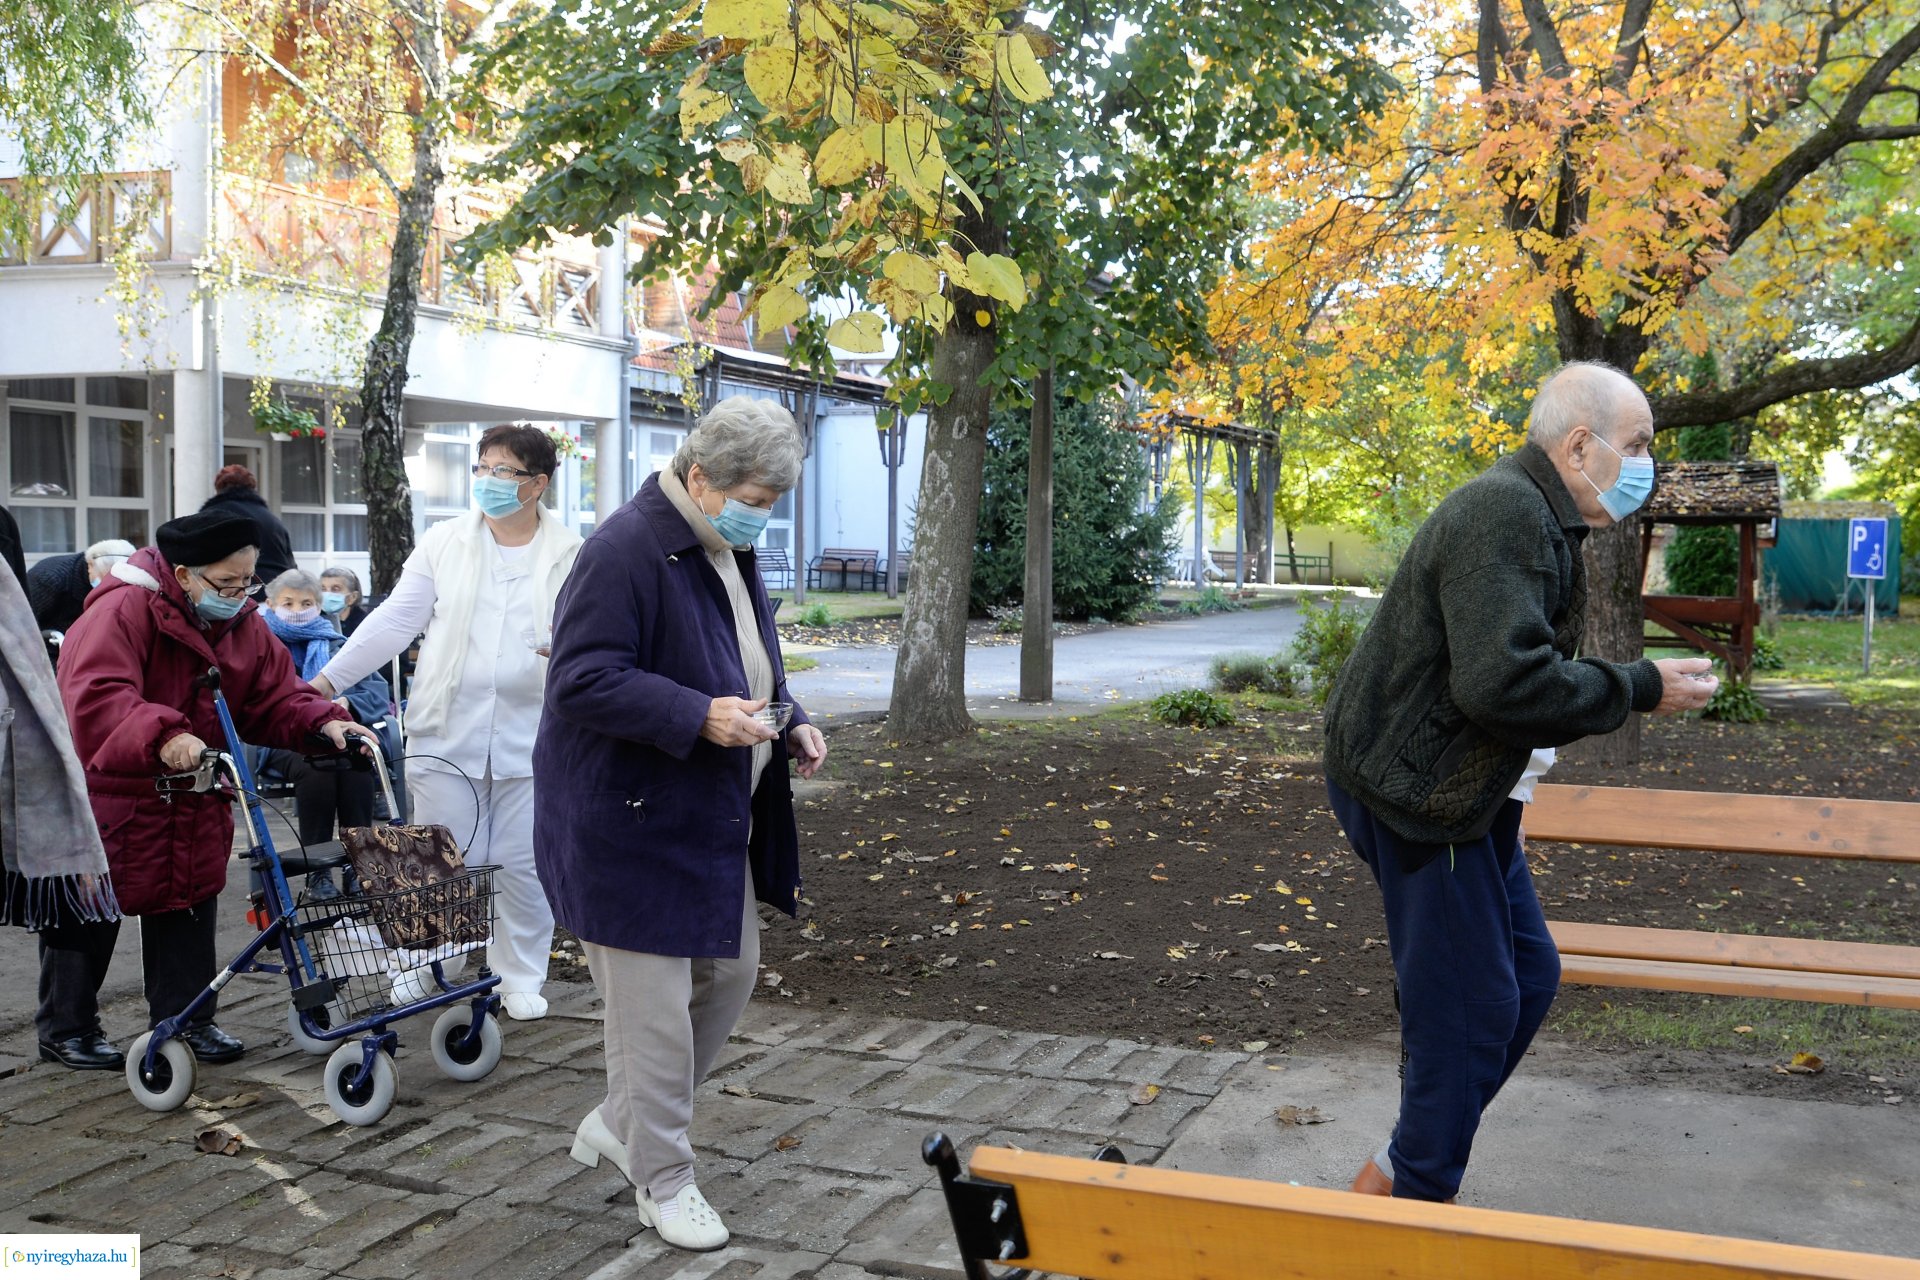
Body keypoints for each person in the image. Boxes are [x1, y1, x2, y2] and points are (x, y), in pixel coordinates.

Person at [1322, 361, 1718, 1204]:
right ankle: (1400, 1214)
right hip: (1423, 803)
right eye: (1639, 444)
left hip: (1469, 798)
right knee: (1467, 1018)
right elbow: (1503, 686)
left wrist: (1519, 798)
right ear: (1581, 446)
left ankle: (1396, 1171)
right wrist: (1639, 686)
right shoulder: (1504, 512)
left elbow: (1505, 689)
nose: (1649, 463)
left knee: (1527, 978)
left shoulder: (1539, 519)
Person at [535, 397, 827, 1253]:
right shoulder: (623, 549)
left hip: (704, 815)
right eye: (755, 496)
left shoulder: (722, 542)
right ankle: (662, 1179)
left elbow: (746, 655)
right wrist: (698, 715)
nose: (761, 514)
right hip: (626, 823)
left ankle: (624, 1119)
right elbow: (581, 681)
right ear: (699, 478)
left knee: (730, 973)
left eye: (773, 499)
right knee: (652, 1017)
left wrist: (791, 712)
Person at [50, 509, 380, 1068]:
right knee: (94, 907)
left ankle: (188, 1017)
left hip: (197, 782)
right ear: (183, 574)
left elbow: (274, 695)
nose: (239, 593)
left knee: (188, 899)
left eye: (248, 580)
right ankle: (67, 1026)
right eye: (226, 583)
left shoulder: (240, 619)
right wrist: (164, 735)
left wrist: (324, 722)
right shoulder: (121, 610)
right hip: (119, 784)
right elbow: (97, 695)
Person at [313, 425, 581, 1021]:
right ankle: (427, 963)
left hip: (533, 734)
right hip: (446, 730)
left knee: (523, 863)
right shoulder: (444, 543)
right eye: (481, 468)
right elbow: (395, 621)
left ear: (537, 484)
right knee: (433, 858)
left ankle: (517, 975)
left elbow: (593, 633)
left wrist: (569, 650)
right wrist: (327, 683)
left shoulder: (571, 552)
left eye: (503, 471)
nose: (487, 481)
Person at [2, 556, 121, 1054]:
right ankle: (67, 1025)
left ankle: (70, 1024)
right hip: (60, 752)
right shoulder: (92, 605)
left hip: (41, 754)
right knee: (79, 890)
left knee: (82, 888)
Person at [255, 568, 392, 900]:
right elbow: (259, 701)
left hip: (341, 732)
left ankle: (358, 866)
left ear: (319, 606)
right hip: (281, 737)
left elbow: (378, 694)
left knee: (356, 761)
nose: (298, 608)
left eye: (306, 601)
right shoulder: (262, 646)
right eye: (288, 601)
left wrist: (348, 702)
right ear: (271, 603)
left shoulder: (338, 645)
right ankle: (317, 872)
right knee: (314, 766)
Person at [200, 464, 296, 584]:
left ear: (218, 488)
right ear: (252, 487)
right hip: (277, 591)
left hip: (236, 591)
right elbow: (291, 565)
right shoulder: (272, 520)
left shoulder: (211, 515)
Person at [27, 539, 136, 636]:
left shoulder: (128, 578)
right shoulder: (49, 578)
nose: (109, 586)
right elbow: (24, 624)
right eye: (105, 578)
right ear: (90, 565)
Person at [319, 565, 371, 637]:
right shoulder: (312, 620)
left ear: (353, 597)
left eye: (335, 589)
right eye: (323, 589)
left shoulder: (365, 626)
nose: (327, 594)